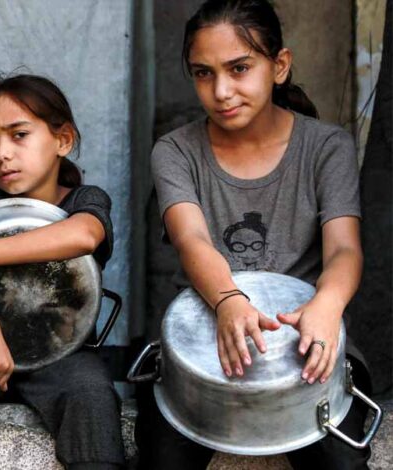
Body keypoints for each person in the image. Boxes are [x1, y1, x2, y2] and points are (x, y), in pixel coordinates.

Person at [138, 0, 373, 468]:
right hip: (204, 335)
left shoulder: (327, 147)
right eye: (203, 73)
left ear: (279, 66)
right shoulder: (176, 151)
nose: (221, 91)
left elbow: (344, 249)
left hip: (309, 341)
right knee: (163, 457)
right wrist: (227, 300)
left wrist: (328, 306)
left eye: (239, 68)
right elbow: (191, 240)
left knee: (340, 460)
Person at [0, 73, 126, 470]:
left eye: (19, 135)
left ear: (63, 140)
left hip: (64, 354)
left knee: (92, 391)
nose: (2, 154)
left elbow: (84, 235)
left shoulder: (84, 200)